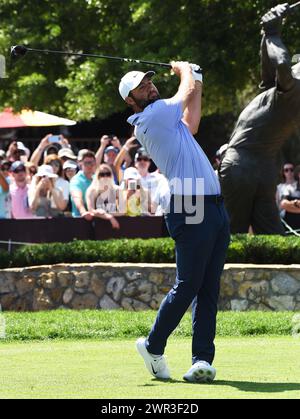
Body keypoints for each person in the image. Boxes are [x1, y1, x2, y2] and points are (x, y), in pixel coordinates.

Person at [119, 62, 230, 383]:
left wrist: (198, 78)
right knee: (189, 284)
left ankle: (201, 361)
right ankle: (153, 345)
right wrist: (184, 72)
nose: (150, 88)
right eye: (142, 87)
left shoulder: (168, 119)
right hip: (190, 201)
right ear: (131, 100)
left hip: (213, 204)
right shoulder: (152, 116)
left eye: (150, 83)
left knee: (208, 288)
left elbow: (192, 122)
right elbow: (184, 94)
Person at [219, 3, 300, 235]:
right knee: (270, 237)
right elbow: (269, 74)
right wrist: (267, 32)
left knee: (232, 235)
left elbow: (282, 64)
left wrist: (273, 33)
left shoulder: (294, 89)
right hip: (261, 167)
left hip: (243, 164)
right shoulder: (280, 91)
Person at [86, 164, 120, 229]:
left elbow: (123, 211)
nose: (105, 177)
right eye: (102, 174)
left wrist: (107, 214)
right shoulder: (91, 191)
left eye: (108, 174)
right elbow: (91, 210)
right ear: (97, 176)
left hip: (116, 224)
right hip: (97, 225)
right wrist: (108, 216)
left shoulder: (117, 190)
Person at [69, 150, 96, 219]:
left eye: (92, 163)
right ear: (81, 164)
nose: (89, 165)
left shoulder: (97, 179)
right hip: (80, 219)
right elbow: (77, 197)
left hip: (97, 219)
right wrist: (83, 212)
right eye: (87, 163)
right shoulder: (76, 180)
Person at [279, 164, 300, 230]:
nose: (289, 172)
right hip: (289, 225)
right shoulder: (287, 188)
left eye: (291, 170)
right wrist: (296, 203)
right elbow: (283, 204)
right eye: (286, 170)